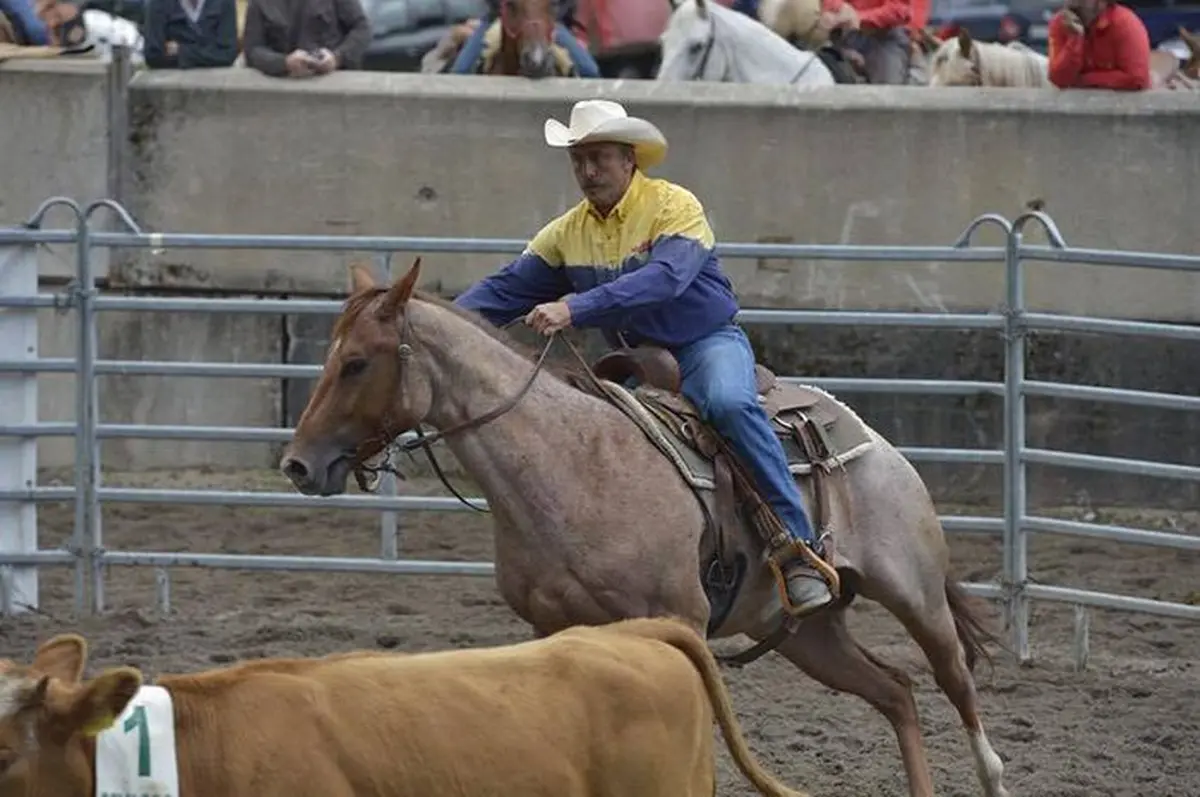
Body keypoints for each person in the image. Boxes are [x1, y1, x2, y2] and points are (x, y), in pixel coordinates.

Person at [453, 99, 834, 618]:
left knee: (726, 403)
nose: (589, 171)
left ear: (630, 159)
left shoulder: (675, 206)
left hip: (705, 343)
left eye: (600, 158)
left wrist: (575, 307)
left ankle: (797, 548)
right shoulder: (566, 232)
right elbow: (504, 290)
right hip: (633, 361)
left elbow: (665, 280)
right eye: (579, 160)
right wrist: (431, 321)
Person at [448, 0, 600, 77]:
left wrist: (554, 12)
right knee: (461, 70)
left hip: (546, 20)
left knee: (589, 71)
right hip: (504, 18)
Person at [241, 0, 370, 78]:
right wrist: (284, 63)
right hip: (283, 90)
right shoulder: (260, 2)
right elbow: (253, 49)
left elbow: (361, 29)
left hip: (334, 85)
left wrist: (337, 58)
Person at [1047, 0, 1150, 90]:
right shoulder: (1060, 23)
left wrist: (1083, 80)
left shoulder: (1124, 23)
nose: (1074, 2)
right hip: (1077, 105)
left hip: (1121, 105)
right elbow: (1058, 78)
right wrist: (1075, 39)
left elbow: (1137, 79)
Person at [143, 0, 239, 68]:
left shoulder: (225, 2)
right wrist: (209, 52)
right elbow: (153, 56)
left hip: (216, 84)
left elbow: (227, 54)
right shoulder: (158, 3)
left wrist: (181, 51)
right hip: (172, 85)